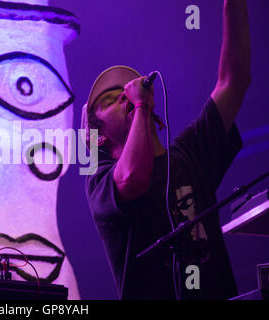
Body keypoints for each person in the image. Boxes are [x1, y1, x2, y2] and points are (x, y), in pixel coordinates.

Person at [82, 0, 250, 299]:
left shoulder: (188, 155)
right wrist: (142, 104)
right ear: (98, 138)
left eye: (126, 93)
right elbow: (132, 178)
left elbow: (232, 82)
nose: (124, 97)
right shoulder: (100, 181)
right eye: (110, 100)